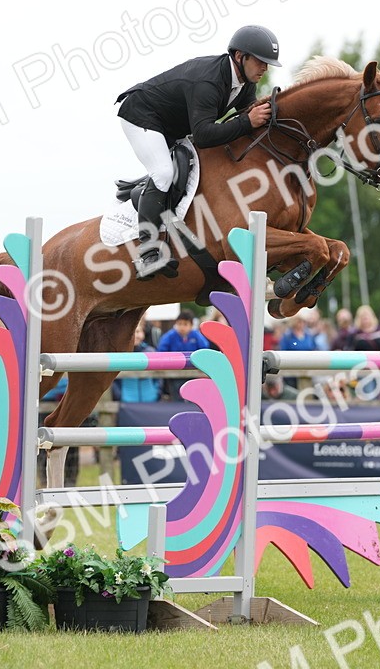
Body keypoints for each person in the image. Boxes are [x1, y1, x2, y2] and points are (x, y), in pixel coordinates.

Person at [115, 25, 279, 277]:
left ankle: (145, 193)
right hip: (141, 114)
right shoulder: (209, 80)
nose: (265, 68)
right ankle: (147, 254)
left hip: (174, 124)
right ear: (239, 56)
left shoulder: (245, 83)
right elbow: (203, 135)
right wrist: (247, 121)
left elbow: (249, 114)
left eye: (267, 63)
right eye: (260, 61)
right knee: (163, 173)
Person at [157, 310, 211, 400]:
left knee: (193, 396)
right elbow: (161, 350)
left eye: (185, 324)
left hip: (193, 373)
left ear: (191, 325)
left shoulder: (196, 336)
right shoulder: (170, 336)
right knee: (177, 395)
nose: (182, 327)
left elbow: (205, 349)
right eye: (180, 324)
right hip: (174, 373)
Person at [112, 327, 162, 403]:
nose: (135, 335)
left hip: (151, 399)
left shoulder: (151, 352)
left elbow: (159, 376)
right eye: (132, 332)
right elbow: (113, 379)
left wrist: (157, 392)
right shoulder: (120, 354)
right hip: (126, 402)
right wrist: (119, 395)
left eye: (138, 331)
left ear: (143, 334)